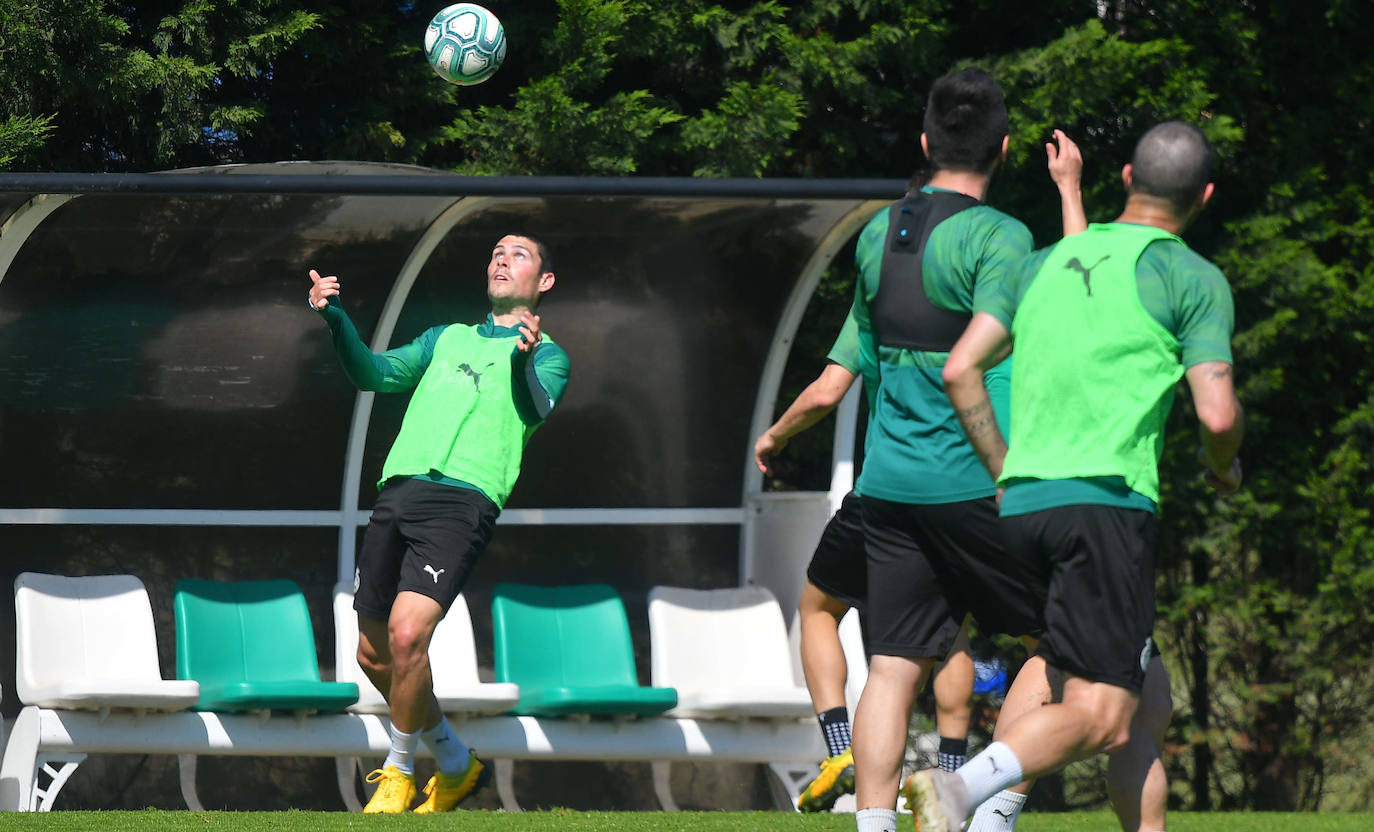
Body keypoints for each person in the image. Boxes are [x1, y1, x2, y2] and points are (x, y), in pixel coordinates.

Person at [910, 120, 1244, 832]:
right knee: (1104, 717)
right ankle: (962, 790)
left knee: (1142, 696)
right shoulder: (1190, 277)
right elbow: (1217, 419)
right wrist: (1226, 470)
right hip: (1104, 508)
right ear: (1206, 197)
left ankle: (1003, 814)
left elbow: (960, 369)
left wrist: (1004, 471)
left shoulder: (1038, 266)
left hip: (1023, 509)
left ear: (1126, 177)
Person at [846, 68, 1087, 832]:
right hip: (971, 483)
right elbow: (1064, 306)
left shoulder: (877, 232)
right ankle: (991, 813)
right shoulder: (999, 236)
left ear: (924, 142)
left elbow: (873, 363)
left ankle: (874, 828)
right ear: (1006, 148)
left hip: (887, 483)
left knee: (890, 669)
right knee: (1065, 635)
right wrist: (1003, 472)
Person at [307, 234, 571, 814]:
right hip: (397, 493)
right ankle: (454, 762)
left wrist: (523, 359)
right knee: (374, 658)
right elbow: (373, 373)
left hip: (462, 503)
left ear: (544, 282)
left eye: (519, 254)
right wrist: (337, 322)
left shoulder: (549, 356)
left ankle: (398, 770)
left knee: (408, 636)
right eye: (496, 251)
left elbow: (535, 408)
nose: (501, 259)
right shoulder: (445, 338)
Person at [753, 311, 977, 812]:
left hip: (888, 490)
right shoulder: (980, 291)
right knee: (952, 631)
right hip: (966, 495)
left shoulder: (879, 290)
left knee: (818, 611)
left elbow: (827, 391)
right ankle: (953, 776)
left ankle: (839, 754)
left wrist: (775, 436)